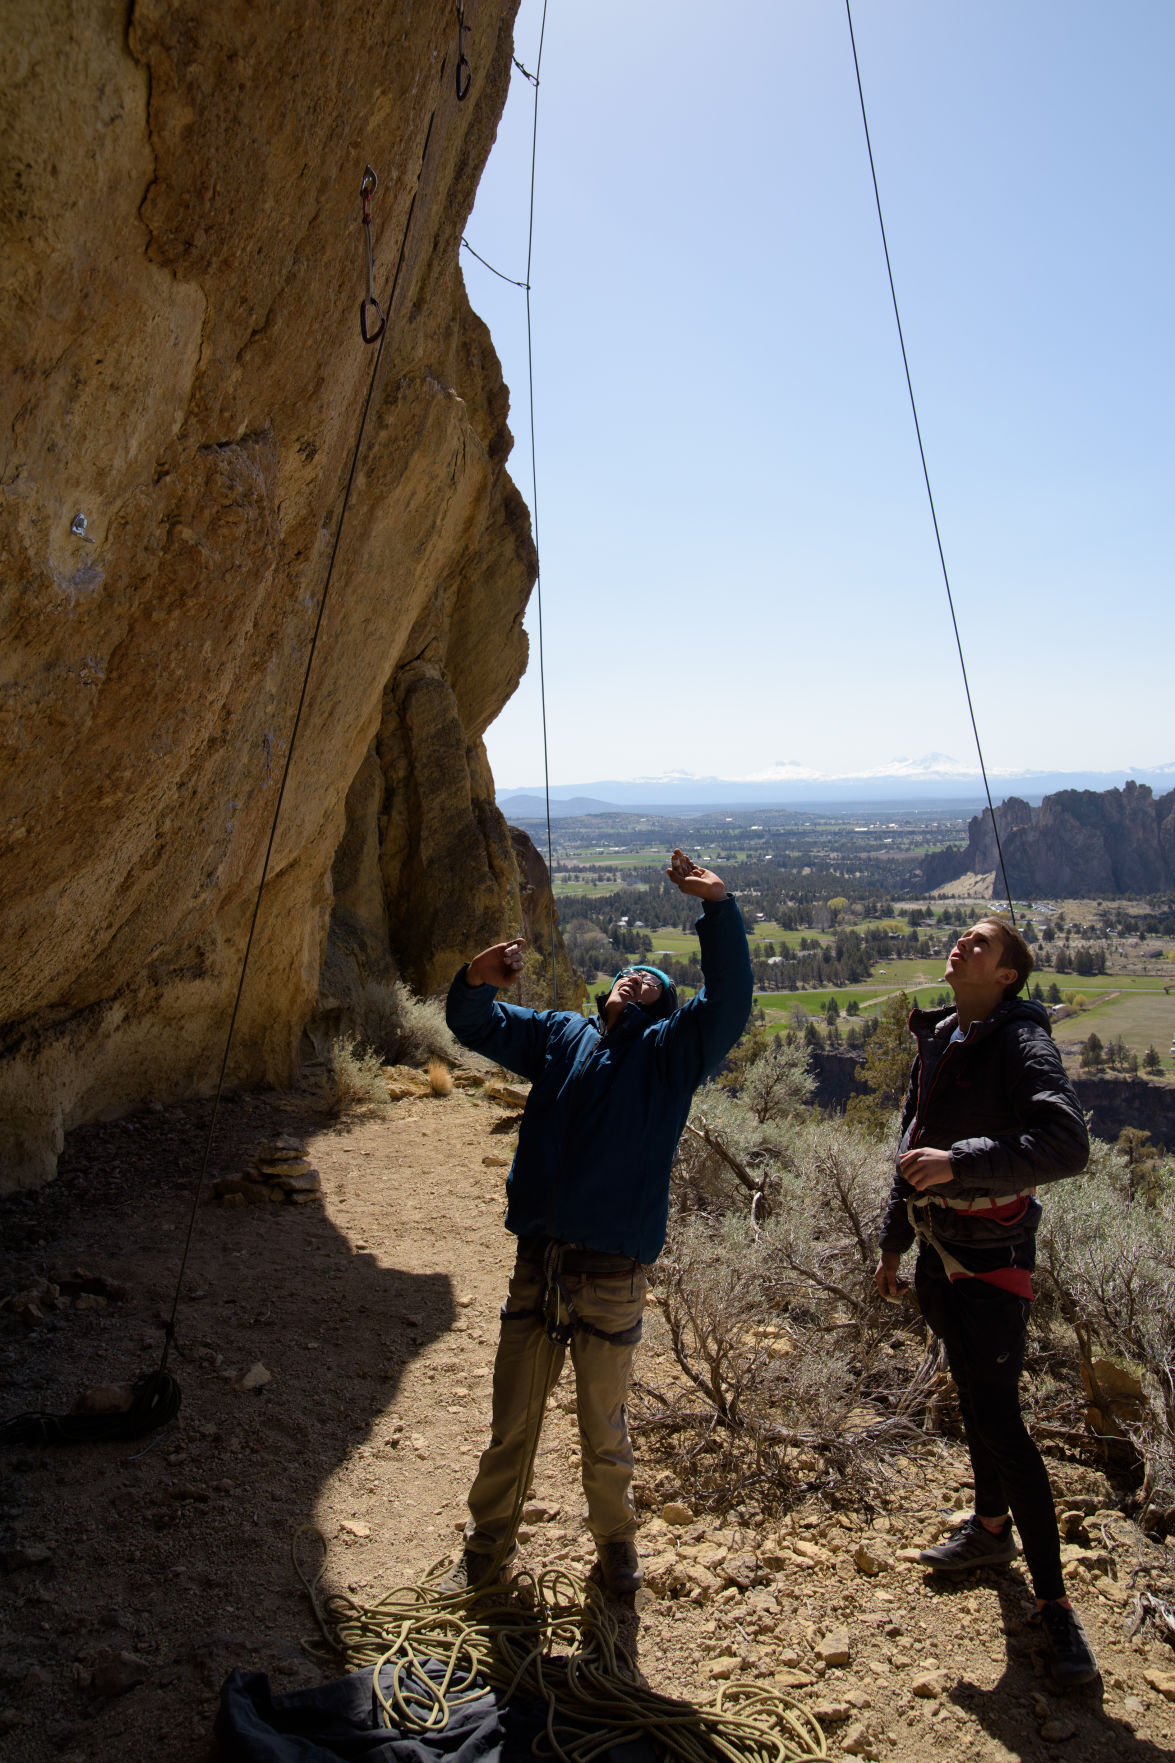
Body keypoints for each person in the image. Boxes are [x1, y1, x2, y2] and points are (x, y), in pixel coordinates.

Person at [444, 849, 752, 1594]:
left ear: (663, 1007)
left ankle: (616, 1547)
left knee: (602, 1429)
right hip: (539, 1260)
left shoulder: (670, 1055)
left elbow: (731, 999)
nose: (636, 976)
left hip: (609, 1275)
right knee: (511, 1422)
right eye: (628, 972)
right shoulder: (560, 1036)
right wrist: (477, 978)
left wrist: (717, 908)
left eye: (653, 981)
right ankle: (487, 1547)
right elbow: (472, 1024)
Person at [875, 917, 1099, 1687]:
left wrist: (958, 1161)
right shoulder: (940, 1031)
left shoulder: (1018, 1038)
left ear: (1006, 975)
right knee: (974, 1398)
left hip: (990, 1259)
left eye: (979, 942)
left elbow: (1066, 1144)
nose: (959, 945)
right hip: (939, 1252)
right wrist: (892, 1240)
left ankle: (1056, 1608)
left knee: (1001, 1420)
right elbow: (914, 1138)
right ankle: (989, 1527)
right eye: (961, 938)